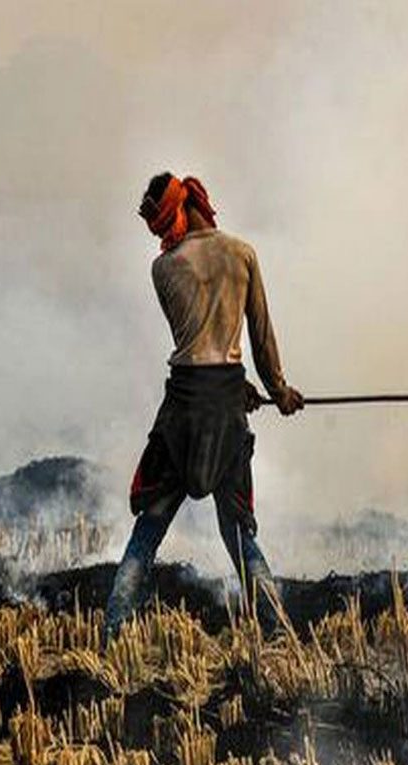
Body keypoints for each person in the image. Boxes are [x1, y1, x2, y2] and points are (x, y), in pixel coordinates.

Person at [105, 172, 304, 639]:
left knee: (147, 532)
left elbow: (194, 344)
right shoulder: (242, 253)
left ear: (184, 205)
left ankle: (114, 632)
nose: (161, 235)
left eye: (163, 222)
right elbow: (258, 338)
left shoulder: (164, 269)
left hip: (181, 414)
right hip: (225, 411)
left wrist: (244, 387)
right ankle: (277, 634)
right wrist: (277, 391)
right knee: (239, 536)